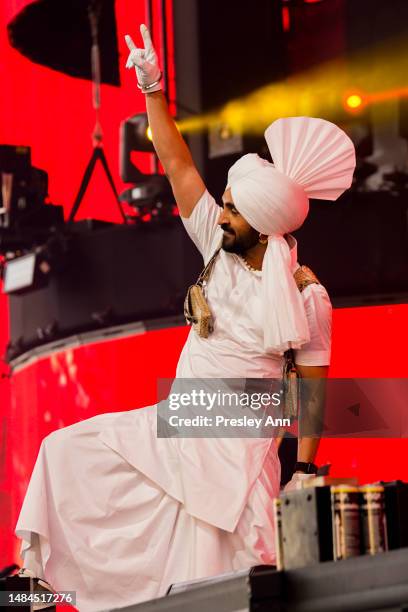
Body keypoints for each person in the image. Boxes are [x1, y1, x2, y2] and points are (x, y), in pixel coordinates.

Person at [15, 24, 356, 612]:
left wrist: (303, 471)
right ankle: (42, 587)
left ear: (264, 222)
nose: (219, 215)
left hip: (241, 452)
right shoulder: (213, 246)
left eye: (232, 209)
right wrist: (151, 88)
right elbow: (175, 164)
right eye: (223, 204)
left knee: (218, 585)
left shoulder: (307, 295)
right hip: (180, 424)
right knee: (65, 452)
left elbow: (316, 392)